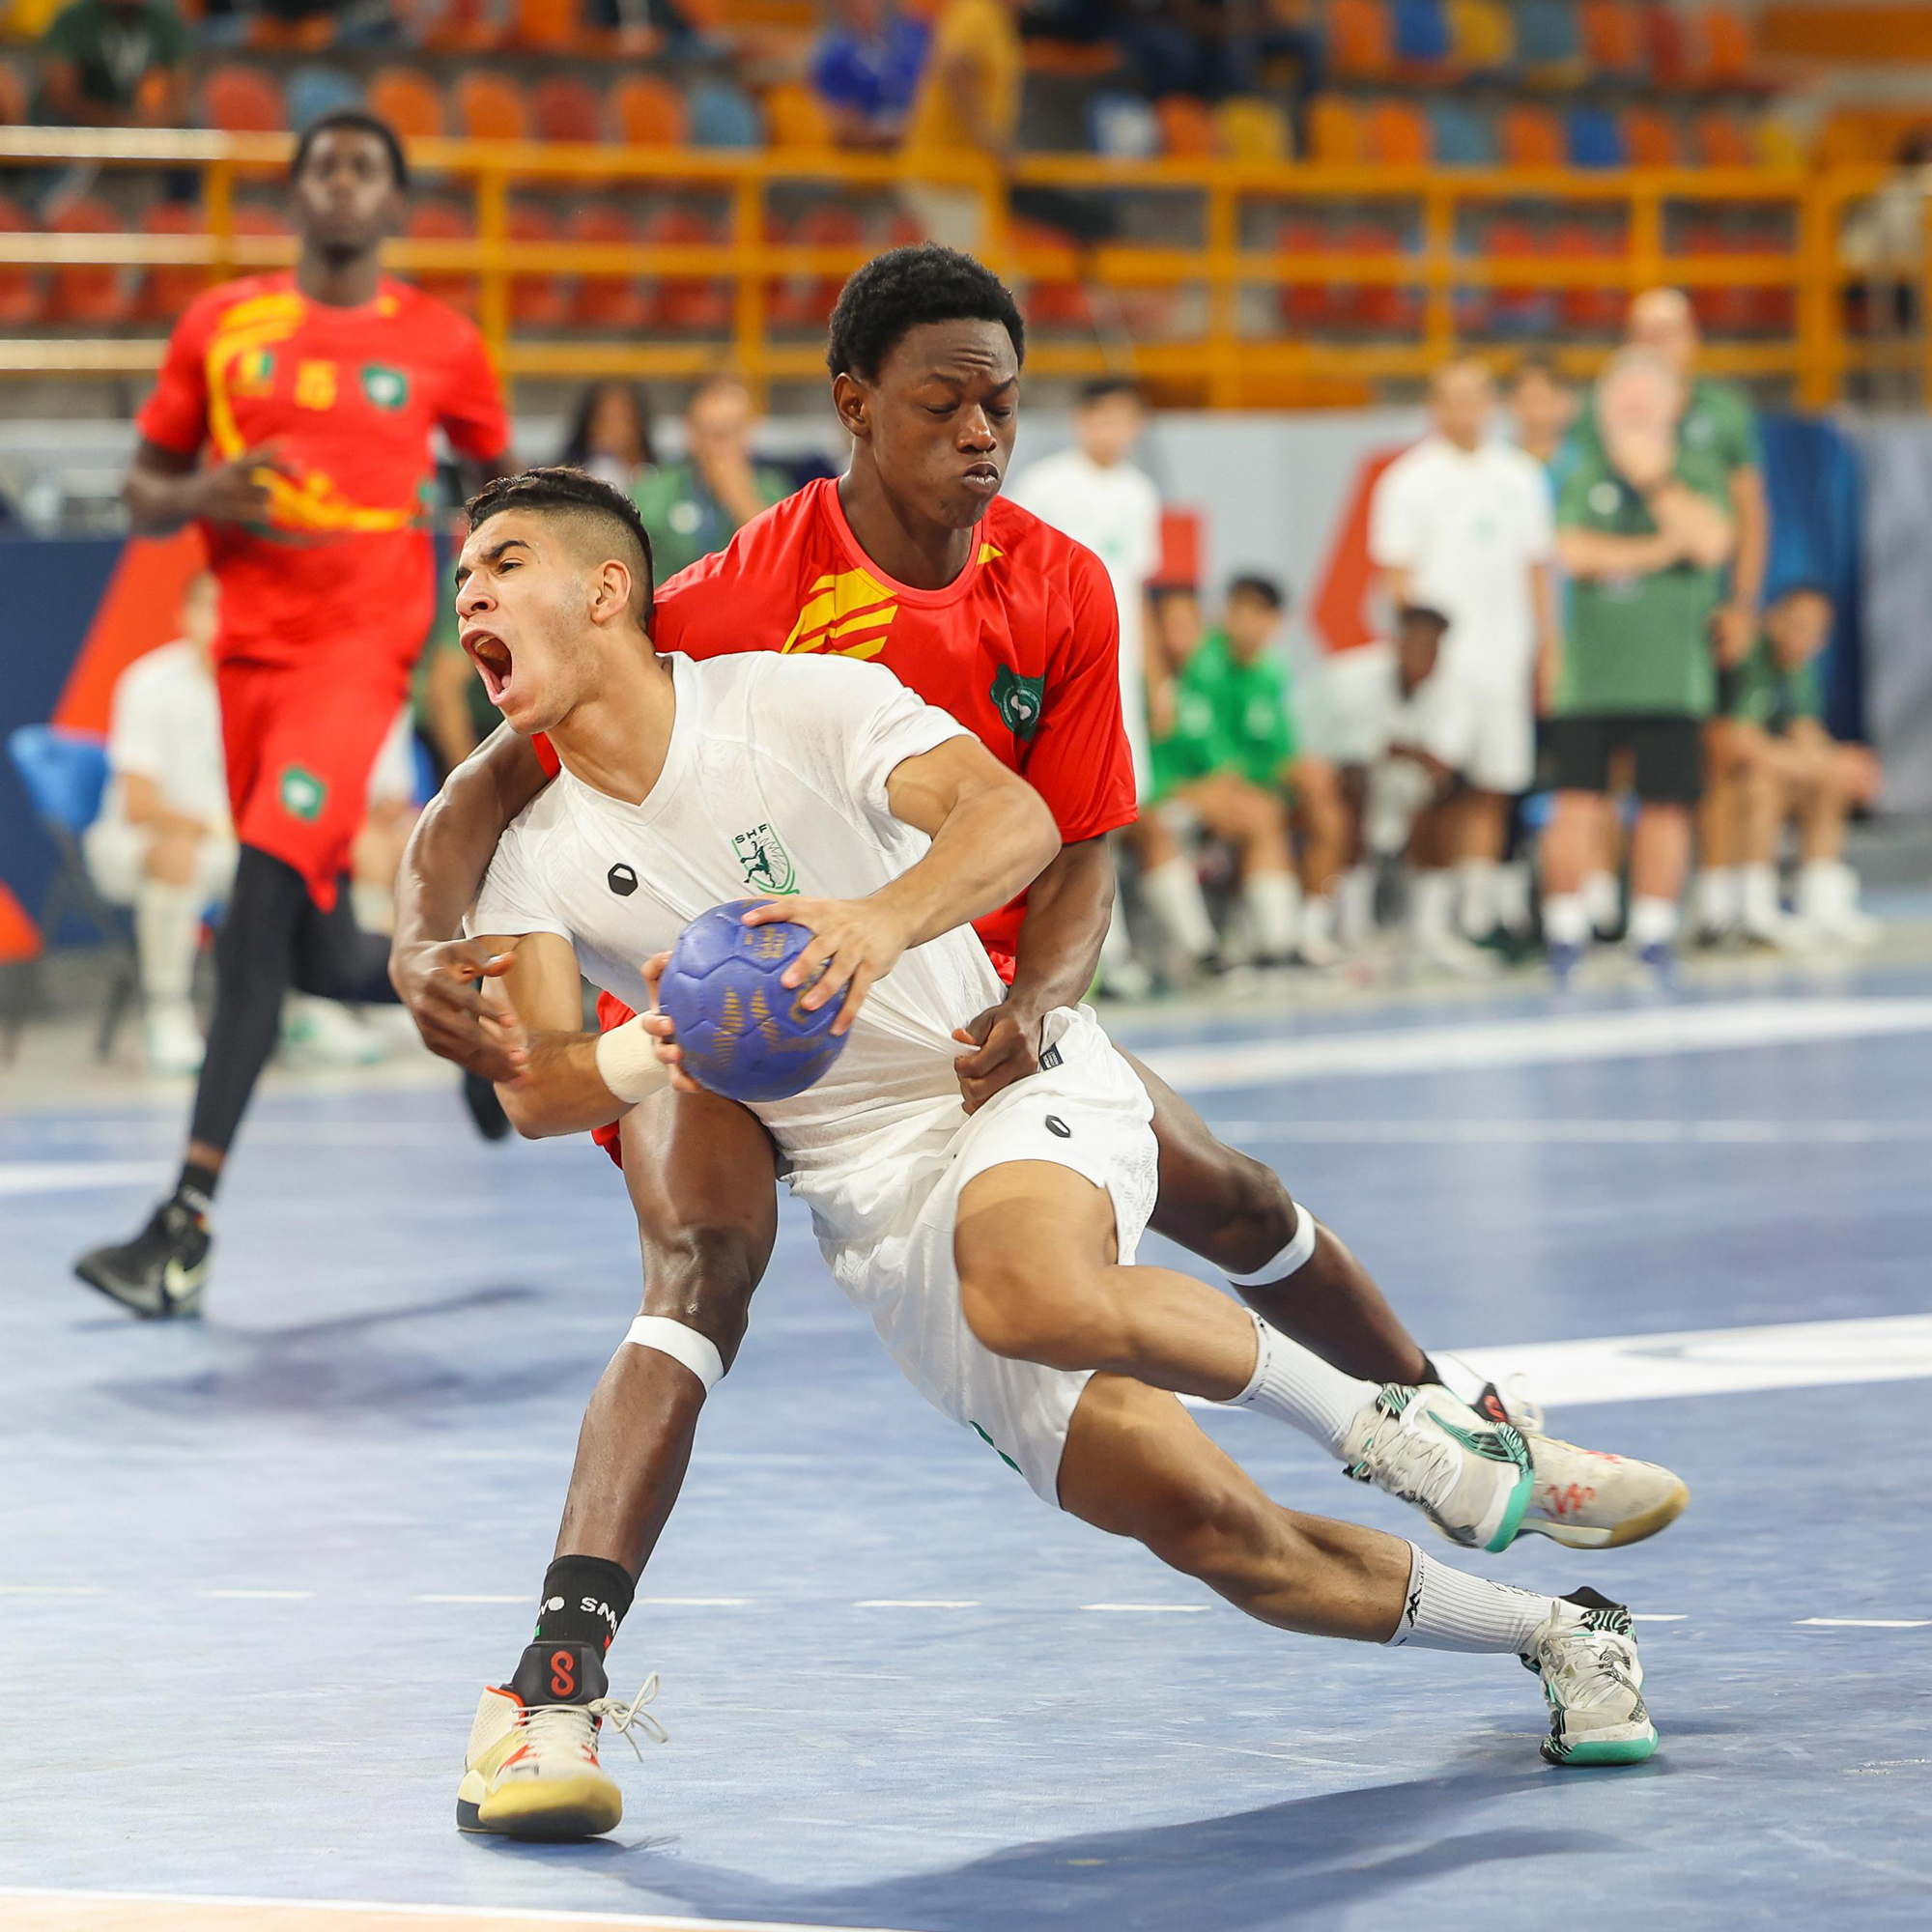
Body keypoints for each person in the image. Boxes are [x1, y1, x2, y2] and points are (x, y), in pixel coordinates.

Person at [391, 249, 1688, 1719]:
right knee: (1209, 1526)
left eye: (999, 406)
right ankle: (1560, 1631)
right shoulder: (728, 606)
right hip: (838, 1128)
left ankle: (1433, 1428)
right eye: (943, 405)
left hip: (974, 1000)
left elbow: (1052, 830)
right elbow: (505, 804)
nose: (980, 434)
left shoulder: (923, 639)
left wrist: (971, 971)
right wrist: (468, 967)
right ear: (855, 406)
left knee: (1184, 1218)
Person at [71, 109, 514, 1318]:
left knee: (258, 902)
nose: (342, 183)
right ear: (297, 193)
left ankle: (184, 1223)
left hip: (357, 656)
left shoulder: (442, 343)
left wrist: (498, 606)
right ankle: (478, 1015)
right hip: (247, 663)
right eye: (324, 165)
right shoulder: (223, 326)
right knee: (310, 952)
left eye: (366, 167)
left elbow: (502, 490)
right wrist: (204, 492)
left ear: (395, 201)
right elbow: (143, 491)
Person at [1542, 349, 1735, 983]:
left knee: (1665, 804)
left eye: (1644, 398)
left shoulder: (1698, 469)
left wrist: (1655, 484)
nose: (1631, 410)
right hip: (1591, 678)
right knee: (1577, 801)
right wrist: (1660, 550)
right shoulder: (1584, 469)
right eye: (1620, 397)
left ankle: (1653, 930)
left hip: (1670, 676)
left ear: (1672, 405)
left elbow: (1710, 542)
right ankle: (1566, 927)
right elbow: (1575, 553)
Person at [1369, 358, 1558, 962]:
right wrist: (1417, 660)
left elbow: (1535, 570)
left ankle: (1476, 917)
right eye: (1453, 398)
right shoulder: (1408, 480)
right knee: (1436, 787)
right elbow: (1398, 577)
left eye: (1476, 397)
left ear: (1492, 404)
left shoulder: (1521, 477)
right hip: (1443, 669)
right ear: (1434, 407)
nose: (1466, 410)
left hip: (1504, 658)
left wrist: (1546, 647)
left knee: (1495, 787)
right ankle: (1428, 920)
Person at [1008, 377, 1163, 991]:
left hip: (1119, 675)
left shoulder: (1139, 494)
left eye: (1125, 419)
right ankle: (1063, 952)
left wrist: (1157, 680)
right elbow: (1015, 578)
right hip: (1061, 670)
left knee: (1112, 809)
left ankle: (1107, 949)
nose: (1113, 431)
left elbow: (1139, 592)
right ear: (1081, 420)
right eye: (1103, 418)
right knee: (1059, 807)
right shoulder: (1044, 487)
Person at [82, 572, 235, 1075]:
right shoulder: (148, 683)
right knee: (176, 855)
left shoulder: (261, 683)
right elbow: (139, 806)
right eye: (209, 606)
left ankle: (304, 1007)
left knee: (299, 856)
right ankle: (166, 1010)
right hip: (134, 844)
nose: (221, 618)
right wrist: (215, 828)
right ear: (184, 616)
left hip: (230, 846)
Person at [1696, 585, 1882, 949]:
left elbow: (1805, 731)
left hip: (1756, 771)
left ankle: (1821, 902)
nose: (1806, 638)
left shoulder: (1798, 669)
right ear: (1773, 619)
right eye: (1798, 625)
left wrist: (1844, 766)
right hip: (1712, 781)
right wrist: (1813, 764)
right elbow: (1737, 742)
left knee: (1829, 783)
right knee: (1763, 781)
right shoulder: (1746, 654)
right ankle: (1751, 905)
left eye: (1817, 631)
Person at [1305, 605, 1477, 952]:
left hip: (1412, 795)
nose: (1420, 656)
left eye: (1429, 648)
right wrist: (1412, 754)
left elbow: (1447, 766)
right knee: (1350, 797)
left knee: (1450, 801)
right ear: (1398, 644)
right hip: (1357, 788)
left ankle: (1430, 928)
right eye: (1413, 644)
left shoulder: (1455, 689)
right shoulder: (1356, 678)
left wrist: (1402, 752)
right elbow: (1351, 760)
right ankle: (1349, 924)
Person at [632, 373, 790, 584]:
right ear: (691, 435)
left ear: (747, 434)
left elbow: (786, 564)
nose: (720, 446)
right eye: (711, 433)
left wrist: (741, 500)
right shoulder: (652, 491)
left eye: (730, 431)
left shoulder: (773, 491)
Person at [898, 0, 1023, 251]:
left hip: (968, 180)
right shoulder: (977, 13)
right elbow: (955, 68)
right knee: (960, 268)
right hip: (945, 179)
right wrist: (989, 138)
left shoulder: (994, 19)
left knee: (993, 265)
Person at [39, 0, 187, 131]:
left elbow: (182, 93)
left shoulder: (165, 22)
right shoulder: (74, 20)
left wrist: (147, 124)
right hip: (83, 133)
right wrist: (114, 123)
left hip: (149, 133)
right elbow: (60, 95)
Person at [810, 0, 931, 147]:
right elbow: (841, 126)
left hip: (919, 140)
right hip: (868, 151)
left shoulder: (914, 36)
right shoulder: (834, 54)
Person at [556, 380, 656, 496]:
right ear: (589, 426)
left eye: (622, 419)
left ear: (639, 425)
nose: (613, 429)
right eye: (605, 420)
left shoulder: (658, 479)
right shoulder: (567, 481)